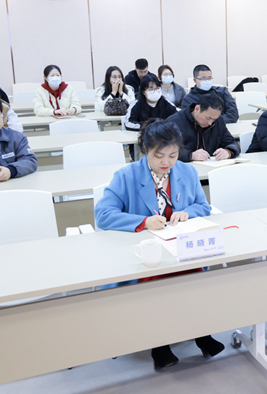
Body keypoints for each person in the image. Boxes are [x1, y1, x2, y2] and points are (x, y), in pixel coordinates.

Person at [94, 119, 222, 370]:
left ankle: (201, 332)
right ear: (145, 149)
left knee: (194, 277)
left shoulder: (186, 172)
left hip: (178, 247)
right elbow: (103, 215)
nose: (166, 163)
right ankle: (160, 343)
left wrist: (187, 213)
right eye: (159, 156)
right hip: (145, 252)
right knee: (159, 281)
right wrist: (143, 221)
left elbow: (203, 205)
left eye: (173, 155)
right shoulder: (127, 176)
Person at [168, 93, 240, 162]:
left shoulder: (218, 121)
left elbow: (232, 143)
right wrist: (190, 155)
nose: (210, 123)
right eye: (208, 118)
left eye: (214, 119)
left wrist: (228, 152)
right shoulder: (174, 122)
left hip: (212, 165)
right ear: (197, 109)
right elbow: (166, 149)